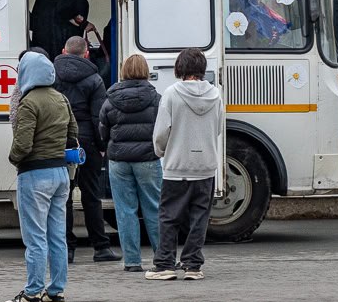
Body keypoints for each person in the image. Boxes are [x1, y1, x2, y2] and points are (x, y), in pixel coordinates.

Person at [4, 51, 78, 302]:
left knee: (35, 237)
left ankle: (32, 293)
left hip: (35, 174)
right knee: (58, 236)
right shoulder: (61, 99)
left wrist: (13, 158)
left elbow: (23, 144)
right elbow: (74, 133)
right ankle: (56, 292)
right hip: (60, 174)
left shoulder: (28, 102)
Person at [147, 48, 224, 282]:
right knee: (199, 217)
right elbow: (219, 127)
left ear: (180, 68)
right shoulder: (216, 94)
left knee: (169, 217)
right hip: (206, 166)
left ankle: (165, 264)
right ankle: (192, 265)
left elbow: (162, 132)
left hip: (177, 166)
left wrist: (161, 152)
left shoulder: (171, 93)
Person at [53, 36, 119, 264]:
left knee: (64, 196)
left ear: (64, 50)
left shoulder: (52, 75)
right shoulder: (94, 78)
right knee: (91, 195)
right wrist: (102, 146)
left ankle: (66, 249)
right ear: (86, 54)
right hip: (87, 143)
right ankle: (100, 247)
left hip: (60, 140)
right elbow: (97, 116)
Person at [98, 54, 162, 273]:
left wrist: (109, 146)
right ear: (145, 71)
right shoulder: (156, 98)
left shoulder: (111, 99)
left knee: (125, 211)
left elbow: (103, 130)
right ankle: (162, 257)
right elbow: (162, 128)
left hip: (119, 160)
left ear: (123, 71)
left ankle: (132, 261)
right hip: (148, 159)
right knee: (154, 208)